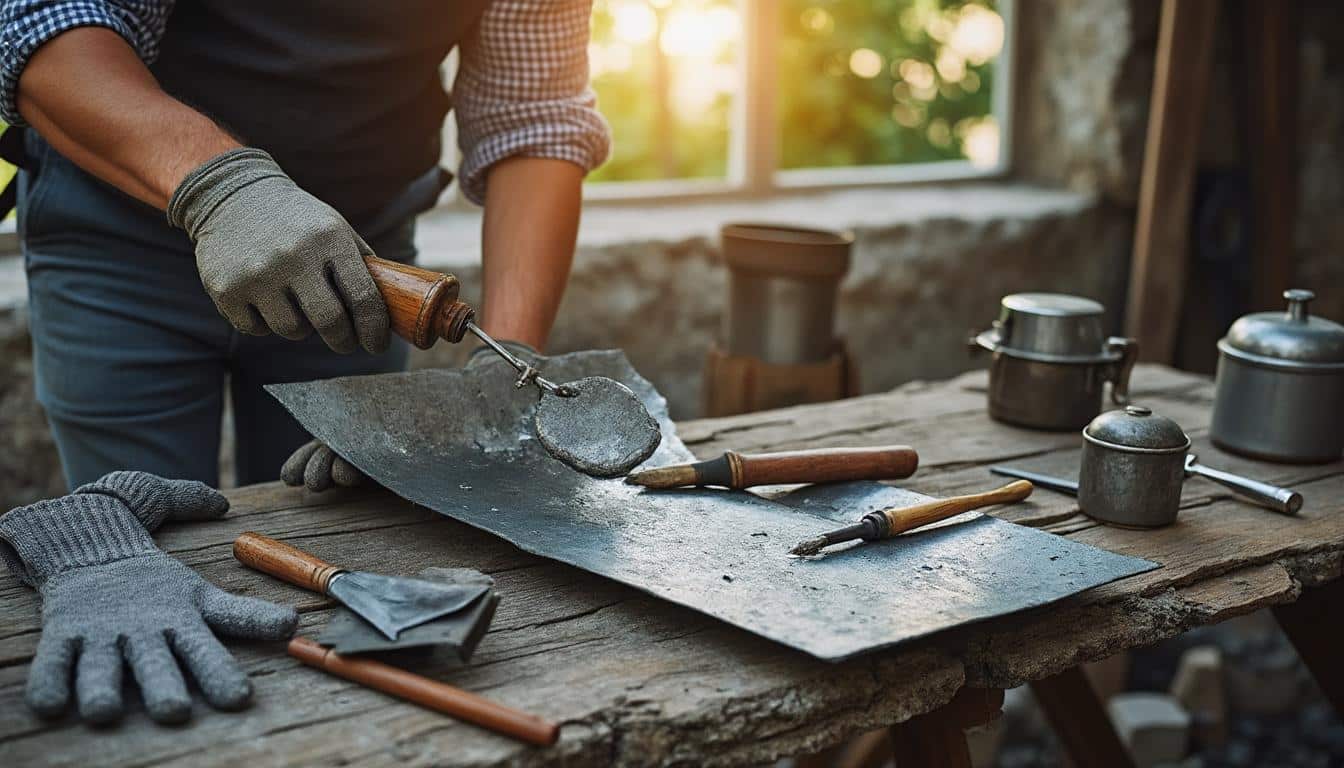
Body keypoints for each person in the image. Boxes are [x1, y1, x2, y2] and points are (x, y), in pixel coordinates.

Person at [1, 0, 611, 490]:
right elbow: (47, 30)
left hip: (356, 278)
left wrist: (508, 360)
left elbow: (535, 122)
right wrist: (223, 189)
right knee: (141, 539)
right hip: (122, 247)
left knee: (332, 522)